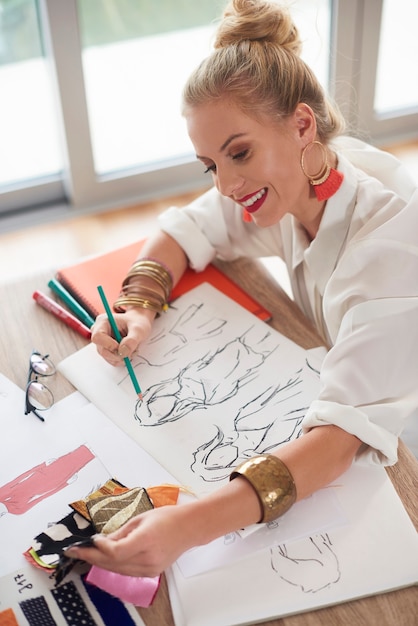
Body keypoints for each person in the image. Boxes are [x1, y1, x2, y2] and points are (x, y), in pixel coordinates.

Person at [66, 0, 418, 578]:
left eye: (239, 153)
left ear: (302, 125)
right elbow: (186, 229)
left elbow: (337, 441)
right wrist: (137, 306)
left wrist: (189, 525)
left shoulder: (388, 249)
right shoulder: (297, 181)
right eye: (210, 165)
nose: (226, 185)